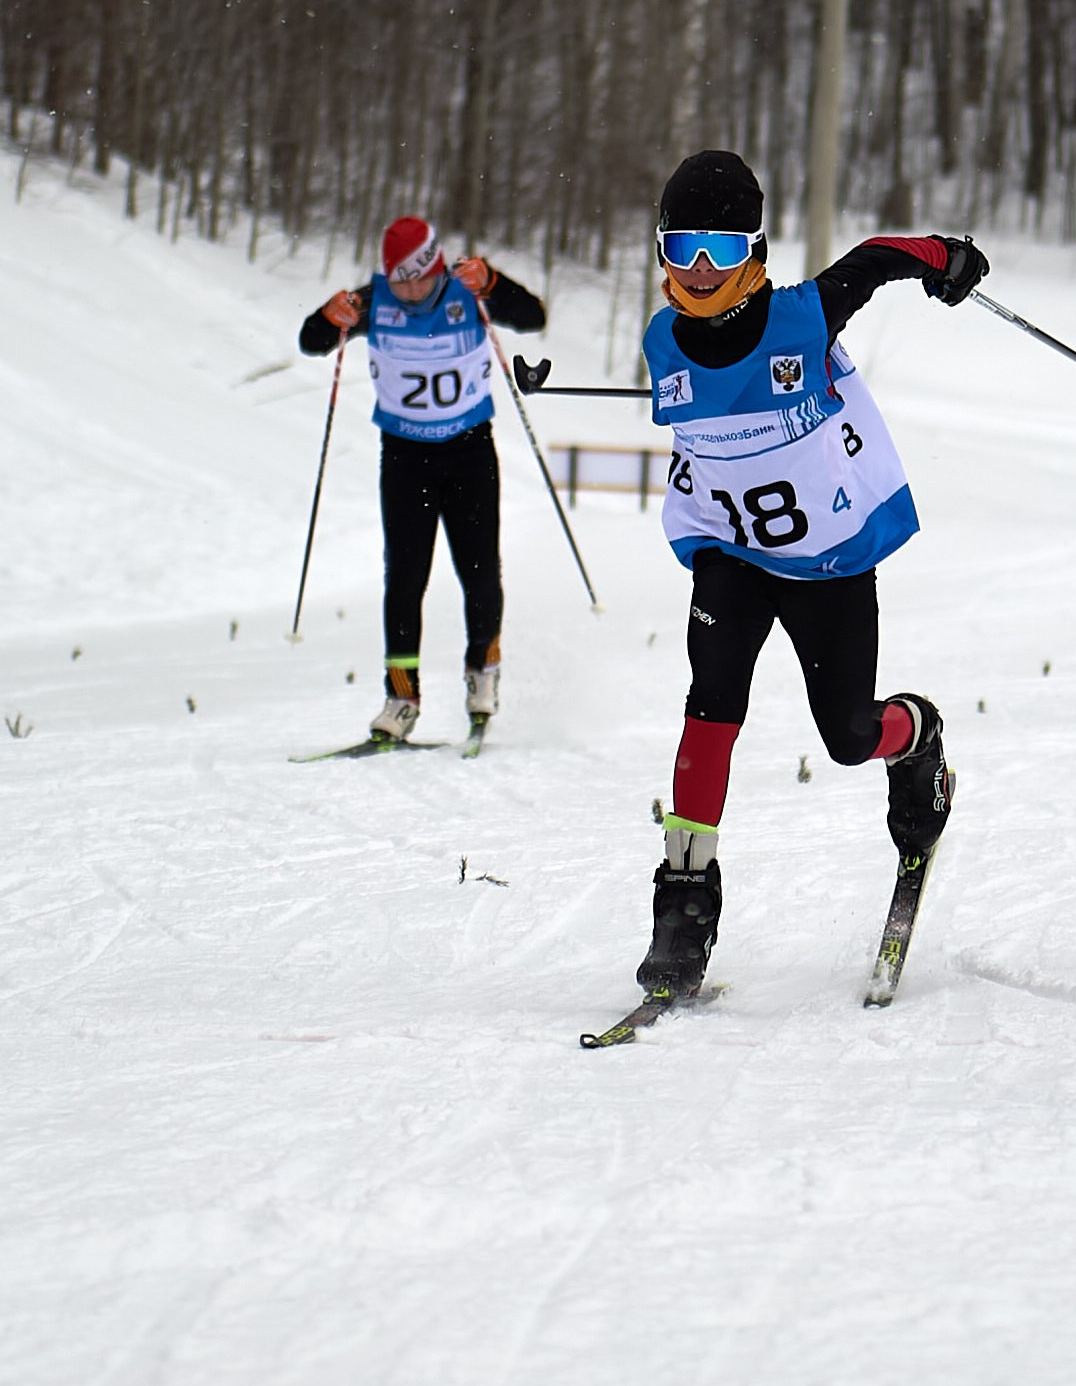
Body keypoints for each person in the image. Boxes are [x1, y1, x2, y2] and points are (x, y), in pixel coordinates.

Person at [631, 149, 989, 999]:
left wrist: (944, 258)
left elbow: (874, 260)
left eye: (722, 248)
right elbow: (702, 397)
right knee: (710, 704)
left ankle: (919, 735)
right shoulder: (658, 343)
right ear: (661, 252)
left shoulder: (804, 318)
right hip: (731, 555)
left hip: (828, 567)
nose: (703, 270)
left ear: (756, 249)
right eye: (684, 248)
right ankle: (683, 907)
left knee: (847, 736)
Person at [298, 216, 547, 744]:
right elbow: (312, 341)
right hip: (406, 458)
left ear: (435, 267)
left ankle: (483, 674)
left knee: (478, 571)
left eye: (418, 279)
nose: (409, 291)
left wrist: (496, 284)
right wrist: (328, 316)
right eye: (399, 280)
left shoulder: (467, 291)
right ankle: (401, 698)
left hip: (469, 452)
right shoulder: (375, 301)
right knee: (405, 578)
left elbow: (532, 316)